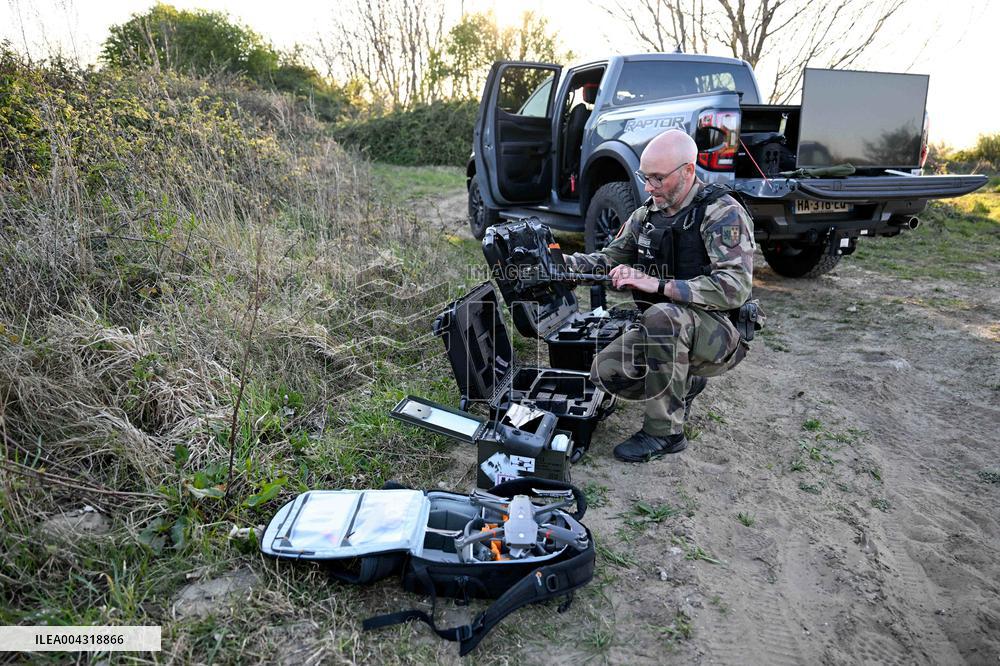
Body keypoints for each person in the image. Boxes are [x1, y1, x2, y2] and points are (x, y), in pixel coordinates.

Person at [562, 129, 756, 462]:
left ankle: (665, 434)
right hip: (670, 326)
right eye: (645, 177)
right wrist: (561, 263)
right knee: (607, 373)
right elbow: (609, 258)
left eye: (658, 179)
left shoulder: (722, 212)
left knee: (663, 315)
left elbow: (735, 287)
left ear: (688, 172)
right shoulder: (647, 214)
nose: (649, 187)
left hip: (721, 331)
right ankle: (684, 384)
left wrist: (659, 286)